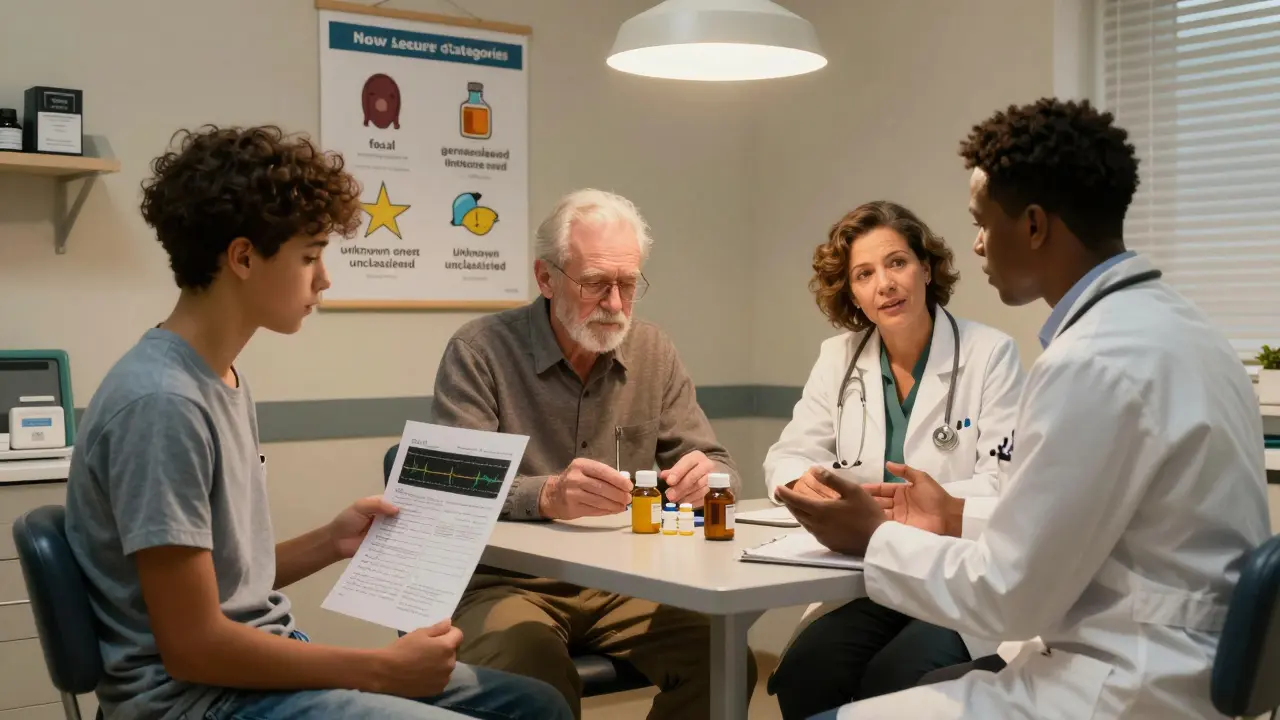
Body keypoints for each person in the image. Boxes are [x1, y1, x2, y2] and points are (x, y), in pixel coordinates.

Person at [777, 98, 1271, 719]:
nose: (978, 244)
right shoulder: (1185, 330)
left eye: (983, 223)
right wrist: (954, 512)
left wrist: (873, 536)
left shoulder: (1089, 361)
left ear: (1034, 226)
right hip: (1182, 669)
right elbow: (1070, 525)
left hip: (1122, 688)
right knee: (817, 671)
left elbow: (1008, 596)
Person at [63, 125, 573, 720]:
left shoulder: (217, 379)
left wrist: (331, 541)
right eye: (309, 257)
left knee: (535, 704)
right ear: (243, 257)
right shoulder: (162, 404)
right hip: (198, 702)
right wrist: (379, 670)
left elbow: (225, 584)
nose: (324, 278)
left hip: (247, 677)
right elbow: (194, 646)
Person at [431, 187, 757, 719]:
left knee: (724, 661)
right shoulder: (480, 350)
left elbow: (718, 464)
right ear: (546, 278)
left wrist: (708, 479)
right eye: (595, 284)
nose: (614, 304)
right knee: (531, 674)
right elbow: (452, 485)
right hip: (504, 582)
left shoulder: (653, 350)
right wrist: (547, 495)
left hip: (625, 579)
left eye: (627, 284)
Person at [763, 201, 1024, 718]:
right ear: (852, 293)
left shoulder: (990, 353)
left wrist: (911, 507)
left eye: (897, 262)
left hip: (955, 574)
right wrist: (807, 484)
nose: (884, 284)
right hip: (872, 575)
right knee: (806, 672)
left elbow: (1005, 484)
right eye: (864, 274)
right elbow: (789, 455)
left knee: (897, 677)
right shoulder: (838, 357)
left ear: (926, 269)